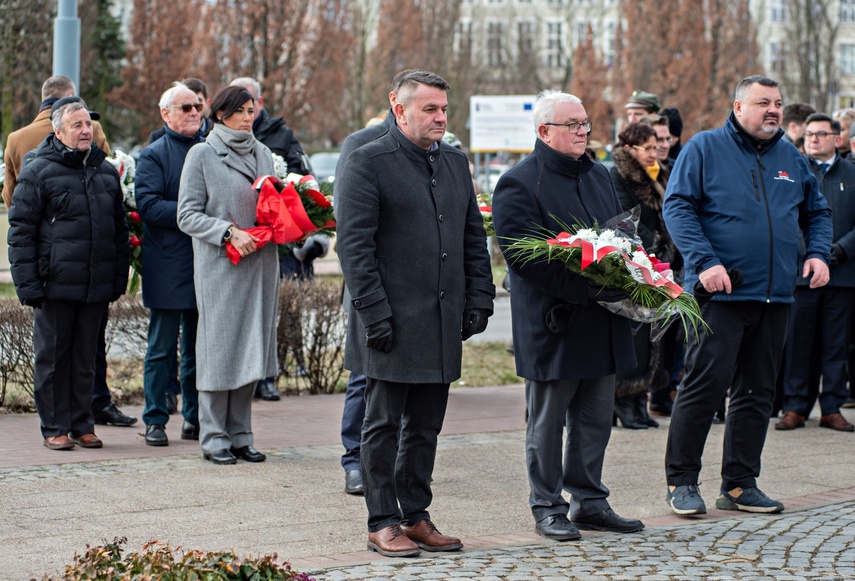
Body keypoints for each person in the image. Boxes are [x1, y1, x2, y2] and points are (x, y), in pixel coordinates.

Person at [335, 70, 494, 557]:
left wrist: (479, 297)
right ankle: (382, 520)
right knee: (382, 425)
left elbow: (472, 237)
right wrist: (374, 315)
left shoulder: (453, 162)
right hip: (389, 321)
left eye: (444, 109)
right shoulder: (367, 161)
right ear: (398, 108)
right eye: (430, 109)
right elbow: (354, 248)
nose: (441, 118)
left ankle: (416, 515)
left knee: (426, 426)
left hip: (441, 317)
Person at [662, 75, 832, 516]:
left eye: (777, 103)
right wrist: (705, 262)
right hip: (720, 295)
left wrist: (817, 254)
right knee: (703, 388)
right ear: (738, 108)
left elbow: (817, 212)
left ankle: (739, 484)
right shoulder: (703, 149)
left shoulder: (790, 157)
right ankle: (681, 482)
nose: (773, 110)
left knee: (757, 393)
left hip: (775, 296)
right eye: (763, 102)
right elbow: (677, 206)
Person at [493, 90, 644, 542]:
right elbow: (525, 260)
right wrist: (592, 288)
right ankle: (547, 506)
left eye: (585, 124)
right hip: (553, 322)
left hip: (602, 319)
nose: (583, 131)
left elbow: (616, 238)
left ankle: (590, 502)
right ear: (544, 132)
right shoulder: (519, 181)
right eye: (573, 124)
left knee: (596, 417)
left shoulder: (599, 174)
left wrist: (633, 271)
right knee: (548, 421)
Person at [8, 98, 129, 450]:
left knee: (86, 359)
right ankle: (54, 428)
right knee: (53, 359)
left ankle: (82, 424)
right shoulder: (38, 170)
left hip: (95, 286)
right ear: (58, 131)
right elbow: (21, 231)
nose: (85, 130)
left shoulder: (106, 172)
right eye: (77, 125)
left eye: (88, 124)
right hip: (54, 284)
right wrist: (28, 284)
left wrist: (117, 279)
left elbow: (118, 231)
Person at [177, 85, 278, 465]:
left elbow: (272, 203)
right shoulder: (202, 155)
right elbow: (185, 214)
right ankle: (214, 437)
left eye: (252, 110)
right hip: (223, 265)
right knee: (220, 351)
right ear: (220, 114)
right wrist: (227, 232)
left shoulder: (264, 153)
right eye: (242, 111)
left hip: (261, 265)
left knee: (251, 348)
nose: (249, 117)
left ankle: (241, 435)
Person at [334, 69, 422, 497]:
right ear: (397, 104)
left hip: (418, 293)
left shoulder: (440, 150)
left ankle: (399, 465)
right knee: (364, 379)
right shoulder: (361, 146)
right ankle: (355, 459)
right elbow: (351, 232)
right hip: (373, 287)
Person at [230, 75, 312, 401]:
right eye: (237, 106)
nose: (245, 113)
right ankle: (241, 379)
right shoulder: (219, 136)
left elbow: (302, 177)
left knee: (272, 312)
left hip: (276, 241)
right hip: (239, 238)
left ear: (260, 103)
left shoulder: (281, 134)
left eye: (249, 104)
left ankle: (267, 376)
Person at [135, 83, 205, 446]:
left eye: (197, 107)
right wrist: (193, 215)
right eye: (185, 108)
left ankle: (194, 419)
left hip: (205, 264)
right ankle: (155, 419)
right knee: (161, 349)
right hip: (167, 264)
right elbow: (147, 206)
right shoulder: (154, 154)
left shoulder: (209, 150)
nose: (194, 113)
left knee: (197, 349)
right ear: (166, 114)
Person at [777, 113, 855, 433]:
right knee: (798, 342)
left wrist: (840, 249)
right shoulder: (792, 171)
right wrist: (810, 252)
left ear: (837, 139)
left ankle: (832, 406)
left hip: (844, 274)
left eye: (821, 134)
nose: (813, 139)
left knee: (836, 344)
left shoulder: (852, 172)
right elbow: (784, 216)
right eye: (809, 134)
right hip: (802, 273)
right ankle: (795, 406)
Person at [610, 122, 679, 429]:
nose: (655, 153)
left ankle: (640, 401)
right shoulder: (617, 176)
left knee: (651, 339)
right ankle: (623, 400)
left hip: (657, 266)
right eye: (647, 148)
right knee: (632, 337)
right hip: (632, 265)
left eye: (656, 147)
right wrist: (656, 249)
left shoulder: (658, 175)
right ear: (629, 149)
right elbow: (624, 221)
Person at [3, 76, 110, 208]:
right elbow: (109, 177)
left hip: (31, 220)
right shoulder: (92, 128)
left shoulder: (15, 139)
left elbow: (10, 196)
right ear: (70, 96)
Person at [149, 78, 213, 144]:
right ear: (166, 114)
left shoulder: (216, 135)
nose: (194, 112)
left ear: (207, 103)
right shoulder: (157, 141)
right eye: (186, 107)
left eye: (197, 105)